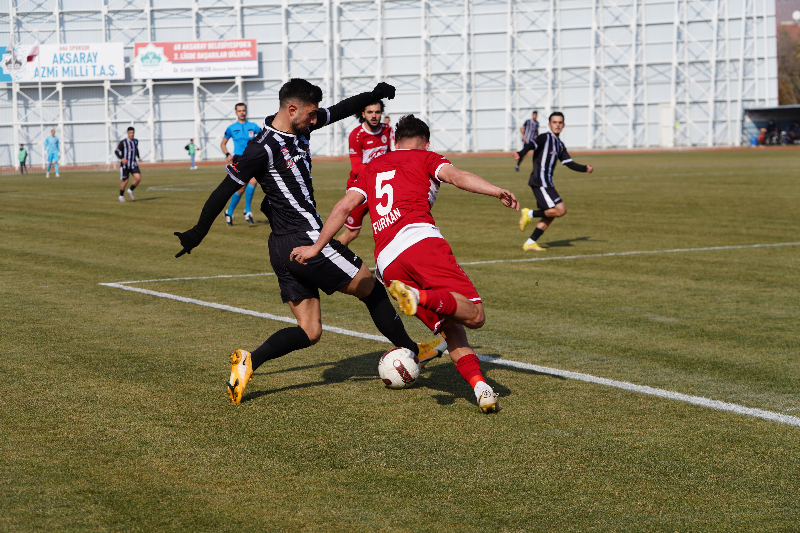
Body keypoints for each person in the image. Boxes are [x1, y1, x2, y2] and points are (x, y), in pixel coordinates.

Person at [174, 79, 438, 405]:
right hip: (306, 239)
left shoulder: (301, 128)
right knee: (370, 285)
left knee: (310, 330)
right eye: (312, 114)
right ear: (292, 109)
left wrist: (372, 95)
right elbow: (224, 189)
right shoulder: (263, 147)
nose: (316, 120)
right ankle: (411, 350)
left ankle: (249, 361)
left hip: (282, 247)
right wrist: (198, 232)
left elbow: (339, 110)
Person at [290, 115, 520, 413]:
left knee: (451, 328)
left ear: (394, 141)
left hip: (388, 264)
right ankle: (418, 297)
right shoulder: (427, 157)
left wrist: (316, 248)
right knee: (475, 316)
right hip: (420, 244)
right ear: (425, 142)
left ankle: (481, 389)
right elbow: (457, 176)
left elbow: (344, 206)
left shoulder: (372, 167)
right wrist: (494, 190)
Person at [514, 112, 593, 251]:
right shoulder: (544, 137)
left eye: (560, 122)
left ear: (563, 125)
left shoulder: (559, 144)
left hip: (547, 182)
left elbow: (569, 163)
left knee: (551, 213)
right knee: (560, 210)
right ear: (549, 124)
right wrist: (520, 153)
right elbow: (531, 144)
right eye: (555, 122)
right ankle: (529, 213)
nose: (557, 125)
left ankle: (530, 242)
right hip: (540, 182)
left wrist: (584, 168)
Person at [337, 99, 393, 246]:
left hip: (382, 187)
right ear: (363, 114)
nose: (374, 115)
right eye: (370, 112)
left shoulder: (388, 130)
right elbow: (356, 168)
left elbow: (392, 155)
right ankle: (326, 261)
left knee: (390, 229)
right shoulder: (356, 135)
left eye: (377, 112)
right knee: (352, 232)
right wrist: (383, 168)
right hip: (360, 188)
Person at [221, 103, 261, 225]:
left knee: (254, 181)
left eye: (243, 110)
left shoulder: (253, 126)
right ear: (236, 112)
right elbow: (223, 144)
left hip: (252, 158)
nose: (242, 112)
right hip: (238, 158)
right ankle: (229, 212)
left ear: (246, 111)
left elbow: (263, 138)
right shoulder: (231, 128)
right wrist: (227, 154)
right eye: (239, 111)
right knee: (241, 187)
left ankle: (247, 210)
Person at [115, 126, 142, 203]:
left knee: (138, 178)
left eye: (133, 132)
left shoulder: (136, 141)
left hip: (133, 163)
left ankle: (130, 190)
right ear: (127, 133)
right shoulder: (123, 142)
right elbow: (116, 151)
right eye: (130, 133)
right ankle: (121, 196)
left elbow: (136, 150)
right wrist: (121, 158)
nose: (132, 134)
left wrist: (139, 157)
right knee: (125, 181)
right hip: (125, 165)